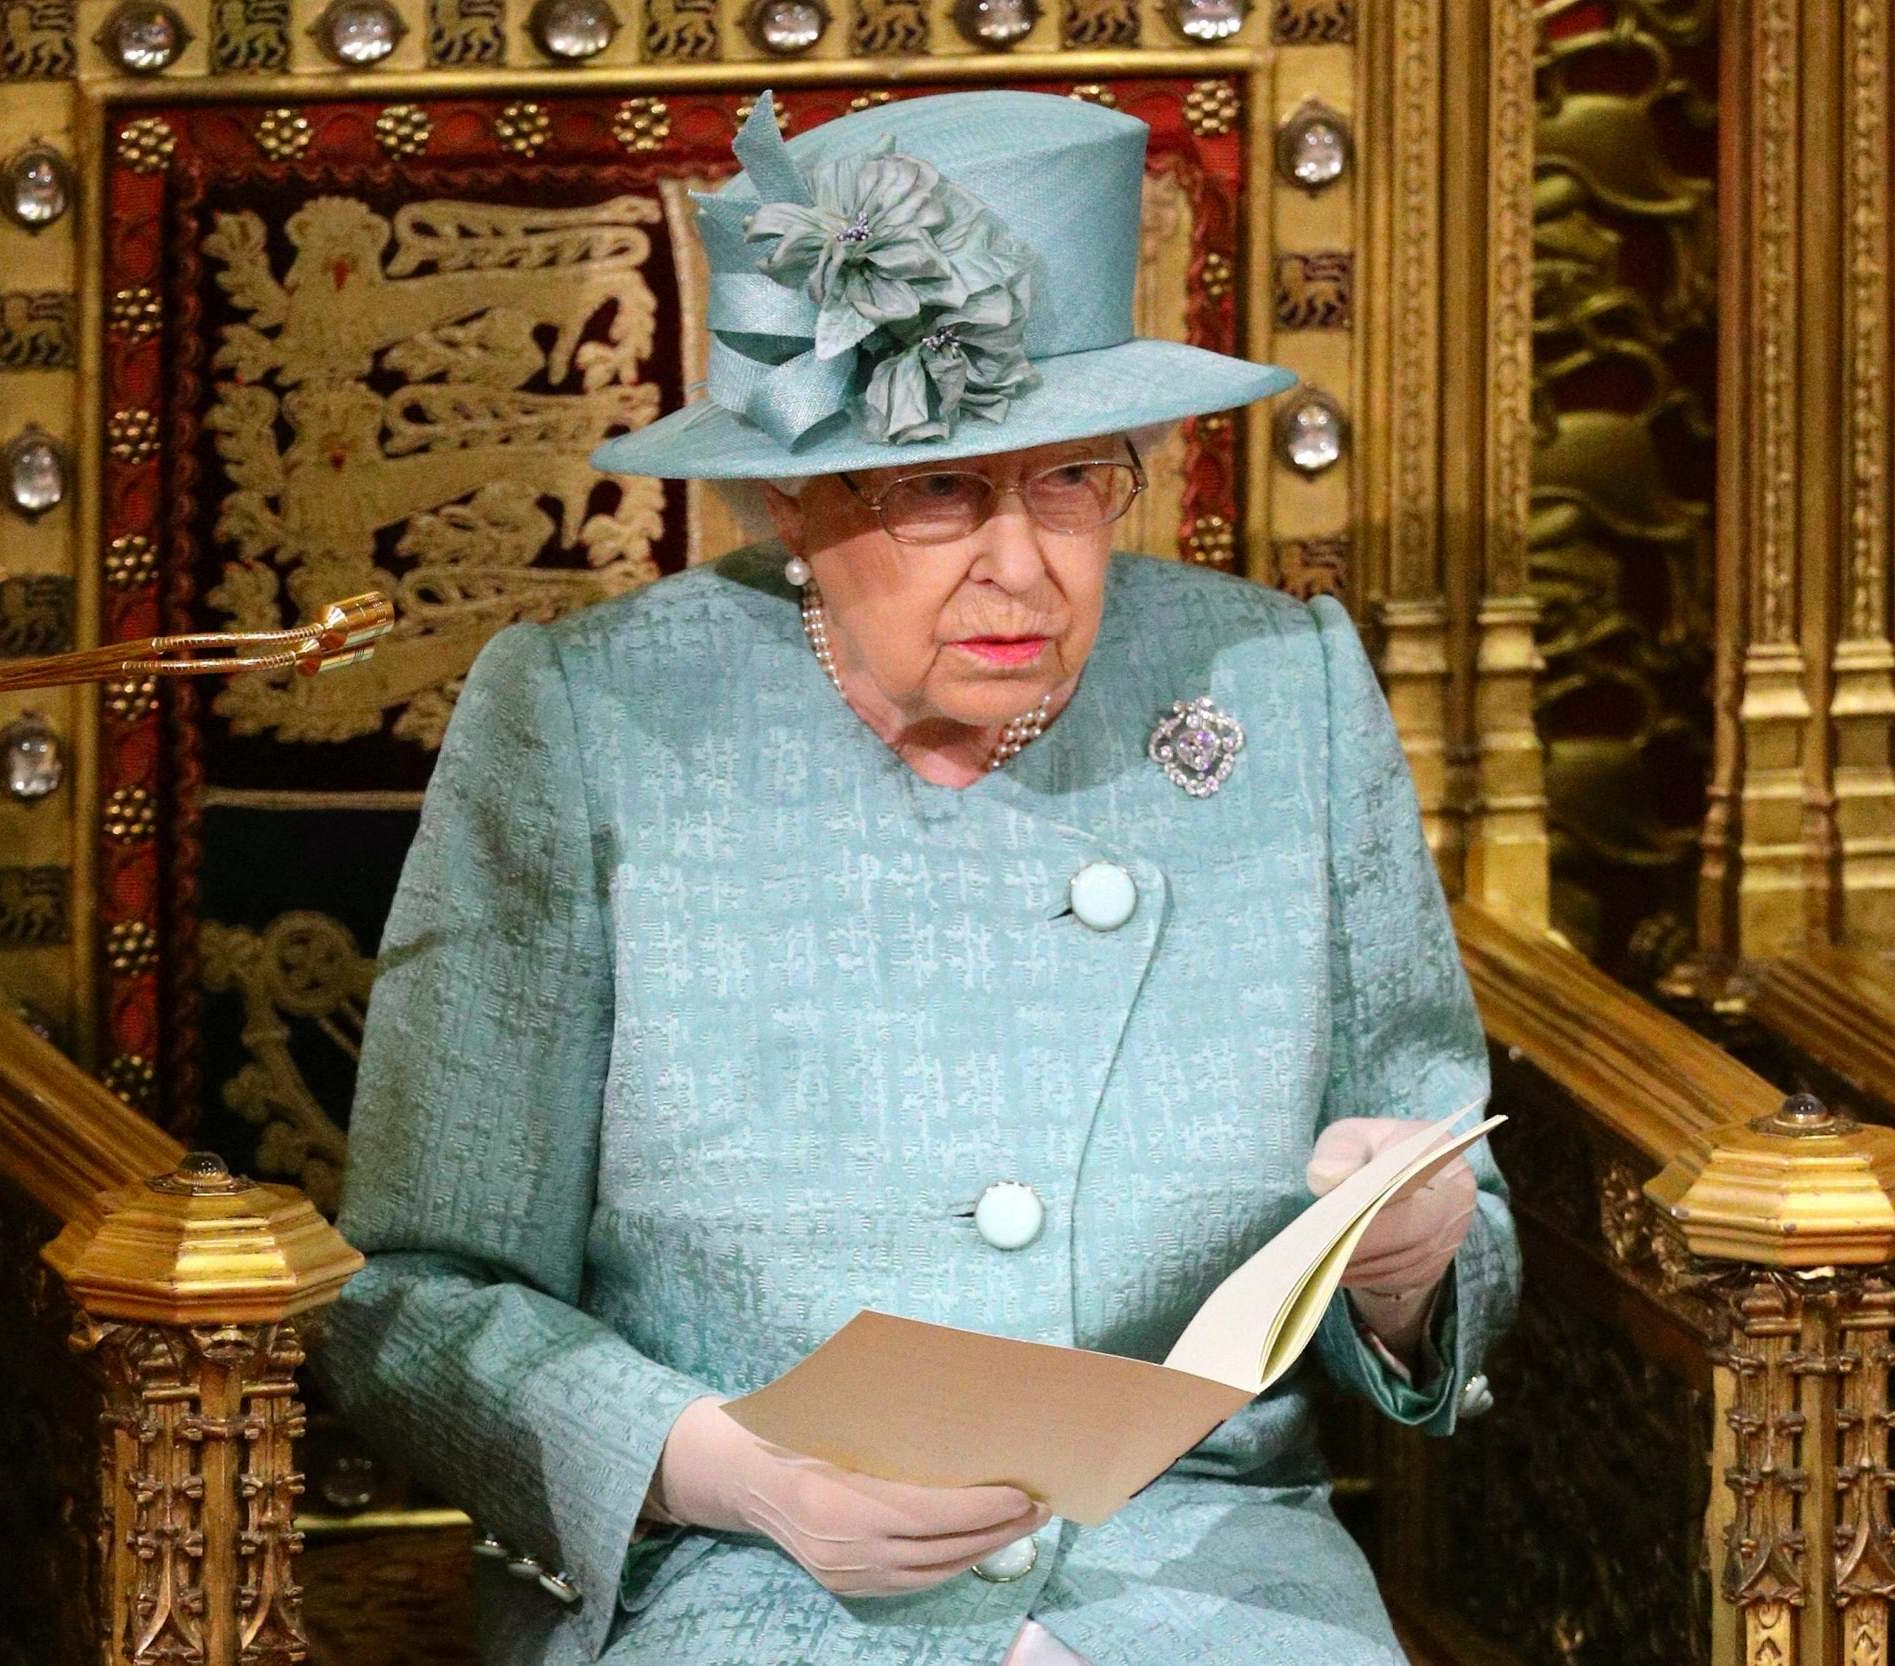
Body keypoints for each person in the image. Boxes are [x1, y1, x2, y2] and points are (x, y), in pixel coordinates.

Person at [311, 88, 1519, 1666]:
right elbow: (417, 1290)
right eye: (939, 492)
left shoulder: (1277, 685)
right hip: (746, 1584)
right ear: (793, 505)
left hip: (1202, 1577)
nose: (1021, 562)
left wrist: (1420, 1255)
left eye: (1072, 479)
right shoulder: (590, 718)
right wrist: (715, 1468)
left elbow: (1452, 1199)